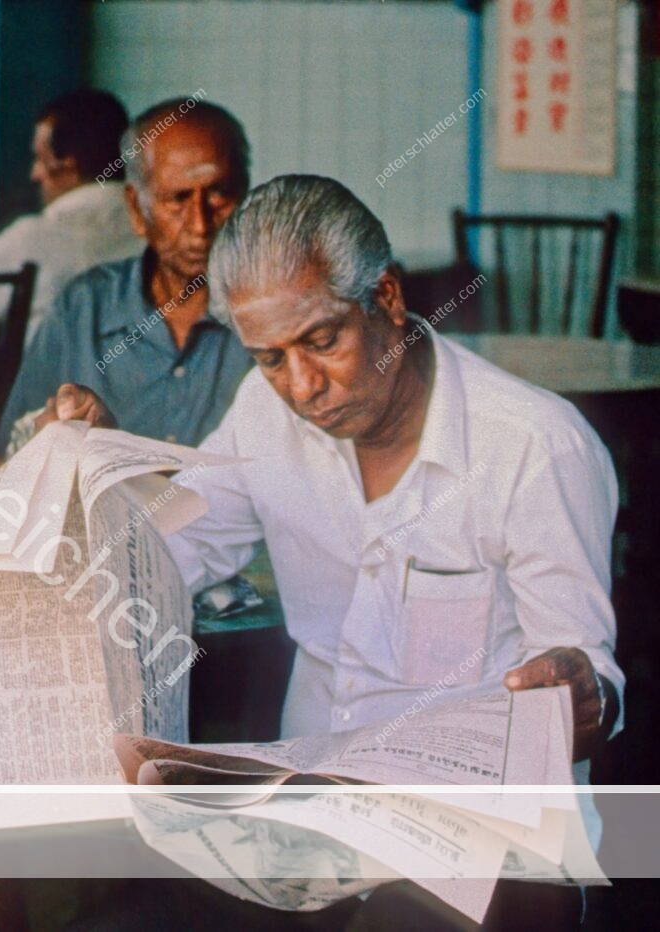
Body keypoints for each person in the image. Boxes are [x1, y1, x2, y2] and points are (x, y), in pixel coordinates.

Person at [43, 175, 621, 929]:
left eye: (322, 342)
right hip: (308, 828)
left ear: (386, 299)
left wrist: (581, 692)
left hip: (481, 846)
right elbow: (169, 552)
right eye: (269, 358)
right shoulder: (265, 413)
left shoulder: (534, 447)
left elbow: (588, 678)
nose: (303, 387)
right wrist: (102, 474)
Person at [0, 98, 254, 456]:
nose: (199, 225)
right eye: (178, 199)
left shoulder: (273, 315)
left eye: (219, 194)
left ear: (245, 196)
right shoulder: (82, 309)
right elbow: (6, 453)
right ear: (136, 209)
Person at [0, 89, 143, 344]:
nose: (34, 175)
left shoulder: (34, 236)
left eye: (40, 160)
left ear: (68, 165)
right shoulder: (155, 229)